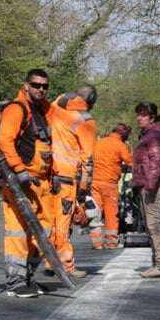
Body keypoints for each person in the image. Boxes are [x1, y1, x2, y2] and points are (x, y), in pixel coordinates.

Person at [0, 68, 55, 298]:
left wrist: (54, 175)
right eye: (36, 84)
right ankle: (16, 281)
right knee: (18, 231)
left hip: (40, 182)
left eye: (44, 86)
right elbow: (5, 141)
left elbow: (49, 148)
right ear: (26, 85)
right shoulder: (17, 109)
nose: (41, 89)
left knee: (45, 230)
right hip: (20, 181)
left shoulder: (42, 111)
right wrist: (19, 171)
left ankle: (28, 275)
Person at [47, 84, 97, 279]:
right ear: (91, 102)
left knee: (50, 222)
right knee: (63, 222)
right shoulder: (86, 120)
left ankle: (50, 261)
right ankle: (66, 265)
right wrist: (85, 189)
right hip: (66, 178)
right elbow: (89, 160)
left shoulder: (57, 104)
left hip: (48, 173)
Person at [132, 101, 160, 278]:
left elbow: (156, 162)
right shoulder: (148, 133)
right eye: (137, 114)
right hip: (147, 186)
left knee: (153, 226)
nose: (138, 117)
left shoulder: (154, 134)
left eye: (143, 114)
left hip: (153, 187)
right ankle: (156, 264)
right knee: (150, 227)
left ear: (152, 117)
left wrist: (149, 186)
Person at [90, 123, 133, 250]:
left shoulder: (99, 142)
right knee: (111, 214)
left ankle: (97, 242)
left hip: (95, 181)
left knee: (95, 213)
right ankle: (112, 242)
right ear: (124, 134)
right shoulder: (121, 145)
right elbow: (130, 162)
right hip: (109, 183)